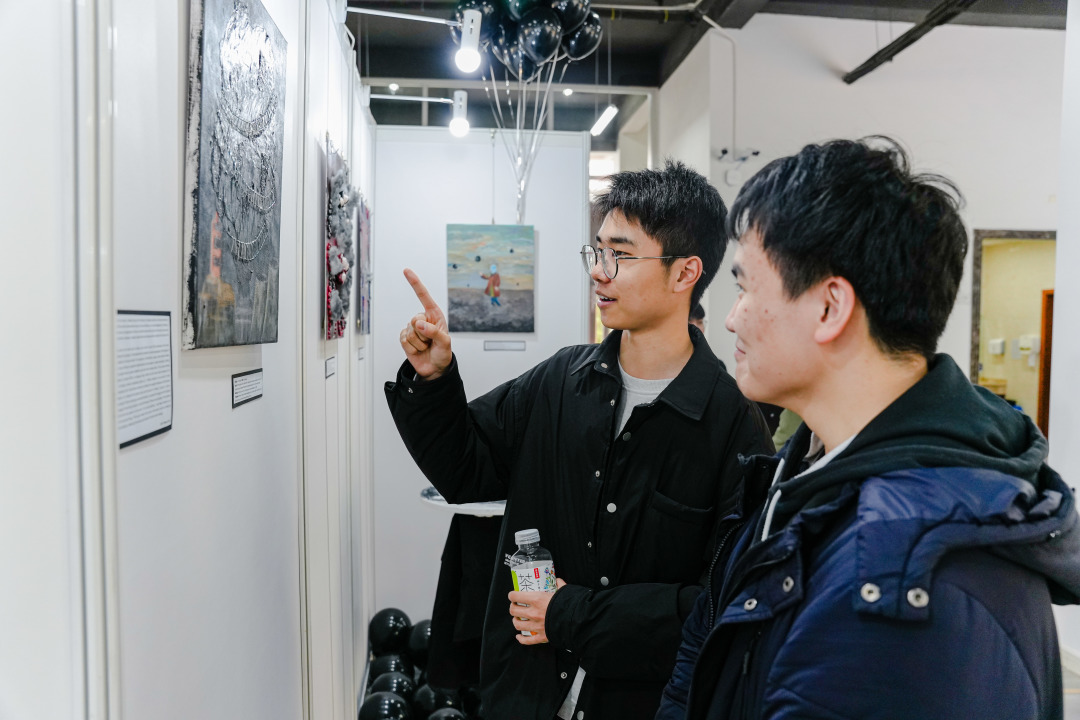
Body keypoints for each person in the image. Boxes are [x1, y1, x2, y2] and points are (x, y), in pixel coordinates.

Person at [657, 137, 1080, 720]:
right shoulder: (803, 475)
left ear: (830, 308)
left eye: (747, 287)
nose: (732, 318)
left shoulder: (903, 585)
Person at [386, 160, 773, 720]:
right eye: (596, 251)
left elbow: (719, 607)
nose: (598, 271)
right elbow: (465, 469)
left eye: (620, 255)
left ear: (685, 273)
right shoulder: (561, 381)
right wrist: (434, 379)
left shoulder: (734, 426)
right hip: (525, 695)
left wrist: (569, 613)